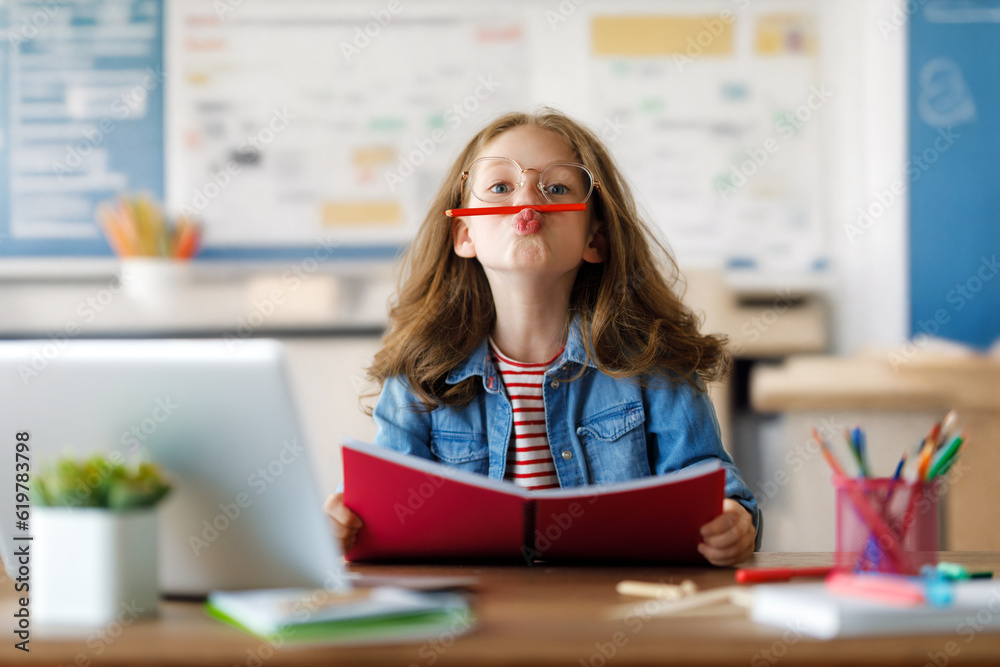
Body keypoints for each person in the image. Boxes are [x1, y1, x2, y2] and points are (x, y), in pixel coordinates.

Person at [325, 108, 759, 565]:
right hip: (475, 623)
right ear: (464, 234)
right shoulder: (421, 375)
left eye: (556, 188)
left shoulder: (654, 364)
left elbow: (715, 492)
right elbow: (386, 498)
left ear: (596, 241)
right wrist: (346, 521)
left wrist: (733, 523)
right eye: (500, 188)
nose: (528, 200)